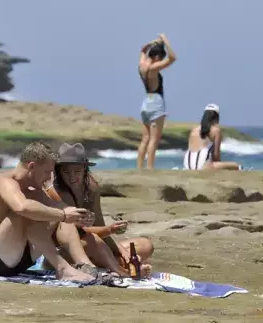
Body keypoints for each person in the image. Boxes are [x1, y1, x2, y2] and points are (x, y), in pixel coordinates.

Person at [0, 141, 101, 282]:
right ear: (32, 166)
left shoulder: (34, 191)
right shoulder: (4, 182)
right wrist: (63, 215)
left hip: (18, 259)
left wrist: (81, 216)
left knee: (54, 213)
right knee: (29, 212)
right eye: (46, 172)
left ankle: (85, 265)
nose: (49, 178)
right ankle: (63, 269)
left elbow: (61, 208)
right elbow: (22, 208)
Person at [45, 142, 155, 277]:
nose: (72, 177)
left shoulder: (91, 187)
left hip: (89, 244)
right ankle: (124, 272)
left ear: (85, 169)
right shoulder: (56, 191)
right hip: (60, 252)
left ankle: (119, 262)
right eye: (66, 172)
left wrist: (122, 252)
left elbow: (99, 225)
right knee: (93, 241)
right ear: (58, 171)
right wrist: (110, 230)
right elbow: (79, 232)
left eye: (77, 171)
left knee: (145, 245)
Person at [136, 34, 176, 169]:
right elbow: (173, 58)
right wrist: (165, 40)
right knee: (154, 139)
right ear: (158, 57)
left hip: (146, 102)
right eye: (161, 58)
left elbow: (142, 50)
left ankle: (139, 167)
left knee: (145, 138)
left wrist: (153, 42)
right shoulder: (153, 69)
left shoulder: (142, 65)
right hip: (156, 103)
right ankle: (150, 167)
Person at [183, 104, 242, 171]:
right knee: (235, 165)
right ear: (217, 117)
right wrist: (219, 165)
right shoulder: (216, 131)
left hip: (187, 165)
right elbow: (216, 156)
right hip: (203, 166)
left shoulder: (194, 130)